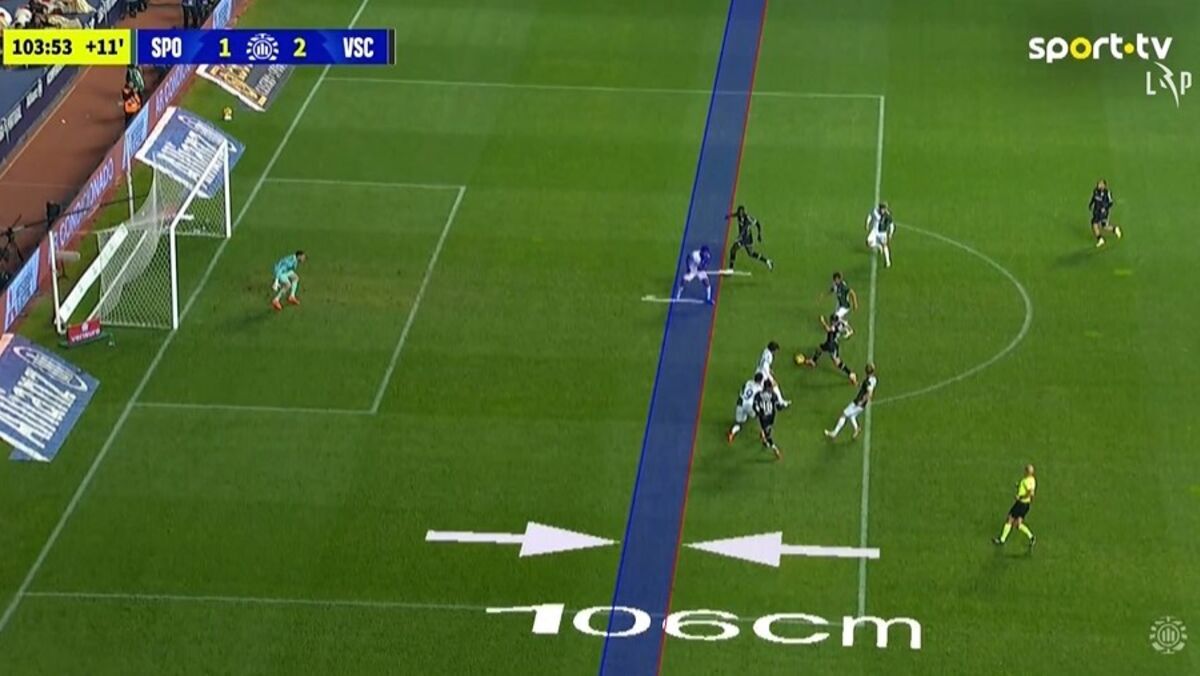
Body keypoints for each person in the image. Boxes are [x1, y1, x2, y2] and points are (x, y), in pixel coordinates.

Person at [796, 313, 857, 384]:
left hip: (830, 345)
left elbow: (828, 329)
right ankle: (813, 361)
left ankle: (850, 374)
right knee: (820, 349)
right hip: (833, 343)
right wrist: (850, 331)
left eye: (831, 321)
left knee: (836, 362)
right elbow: (847, 325)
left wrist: (823, 321)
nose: (830, 322)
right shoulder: (841, 323)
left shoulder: (834, 327)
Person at [825, 363, 877, 440]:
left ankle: (834, 433)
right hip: (861, 404)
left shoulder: (868, 382)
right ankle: (857, 428)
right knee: (852, 416)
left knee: (843, 414)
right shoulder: (873, 379)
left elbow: (869, 393)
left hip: (858, 402)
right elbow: (864, 386)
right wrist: (856, 383)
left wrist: (862, 401)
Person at [993, 465, 1037, 548]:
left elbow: (1030, 493)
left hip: (1021, 504)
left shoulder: (1026, 481)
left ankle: (1002, 540)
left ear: (1027, 472)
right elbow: (1031, 494)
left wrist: (1020, 497)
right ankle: (1031, 537)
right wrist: (1019, 486)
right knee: (1018, 524)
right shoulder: (1032, 480)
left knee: (1009, 519)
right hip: (1026, 505)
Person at [725, 205, 773, 271]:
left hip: (746, 238)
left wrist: (759, 234)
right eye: (739, 212)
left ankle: (730, 269)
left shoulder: (747, 218)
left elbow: (757, 223)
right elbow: (735, 214)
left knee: (733, 250)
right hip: (745, 238)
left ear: (743, 212)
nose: (740, 214)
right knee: (751, 254)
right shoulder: (738, 215)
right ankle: (767, 261)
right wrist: (729, 216)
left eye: (741, 212)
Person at [727, 372, 764, 443]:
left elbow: (741, 392)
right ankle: (763, 433)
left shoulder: (748, 382)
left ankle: (732, 433)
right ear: (760, 381)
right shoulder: (759, 388)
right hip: (748, 406)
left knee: (739, 423)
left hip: (740, 403)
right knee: (759, 416)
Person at [753, 379, 783, 460]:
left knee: (766, 430)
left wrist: (758, 412)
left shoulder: (758, 395)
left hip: (763, 417)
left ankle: (764, 436)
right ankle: (775, 450)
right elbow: (779, 406)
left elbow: (755, 406)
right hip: (771, 417)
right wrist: (781, 407)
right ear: (769, 387)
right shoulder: (773, 395)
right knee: (768, 435)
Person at [755, 340, 790, 407]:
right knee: (763, 388)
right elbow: (765, 366)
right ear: (773, 350)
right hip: (763, 374)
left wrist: (770, 370)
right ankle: (780, 402)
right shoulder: (769, 355)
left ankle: (780, 402)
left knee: (768, 387)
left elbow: (763, 363)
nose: (776, 352)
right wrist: (770, 377)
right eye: (776, 350)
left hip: (759, 371)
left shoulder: (765, 351)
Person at [826, 272, 859, 338]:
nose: (835, 281)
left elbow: (852, 293)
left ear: (839, 279)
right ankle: (840, 327)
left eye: (836, 279)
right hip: (839, 305)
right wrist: (825, 295)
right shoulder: (835, 285)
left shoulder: (843, 287)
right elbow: (832, 289)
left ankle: (849, 330)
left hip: (844, 306)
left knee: (835, 318)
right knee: (833, 318)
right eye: (834, 280)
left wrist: (855, 303)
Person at [1089, 179, 1120, 248]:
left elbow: (1110, 203)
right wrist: (1091, 204)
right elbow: (1093, 198)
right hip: (1096, 211)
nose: (1098, 185)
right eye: (1098, 183)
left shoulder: (1107, 193)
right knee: (1101, 225)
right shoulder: (1095, 191)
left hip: (1103, 212)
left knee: (1097, 224)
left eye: (1100, 184)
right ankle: (1114, 229)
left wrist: (1104, 208)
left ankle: (1101, 239)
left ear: (1104, 185)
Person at [865, 202, 895, 268]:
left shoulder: (888, 215)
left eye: (884, 209)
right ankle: (878, 246)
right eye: (882, 209)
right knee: (868, 243)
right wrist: (867, 223)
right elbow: (870, 216)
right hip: (874, 231)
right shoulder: (875, 212)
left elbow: (891, 225)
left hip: (882, 233)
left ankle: (887, 261)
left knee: (885, 245)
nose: (883, 210)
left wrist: (890, 233)